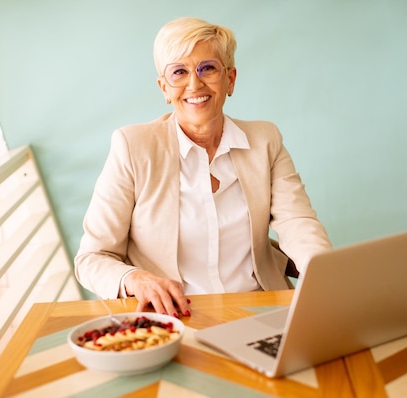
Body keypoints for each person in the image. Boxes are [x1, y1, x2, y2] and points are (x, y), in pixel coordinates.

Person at [74, 17, 331, 318]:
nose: (194, 84)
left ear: (230, 79)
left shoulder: (265, 139)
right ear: (164, 88)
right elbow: (92, 257)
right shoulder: (133, 147)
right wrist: (134, 279)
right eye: (179, 72)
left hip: (262, 309)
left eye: (207, 68)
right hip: (176, 318)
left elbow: (297, 222)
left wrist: (325, 277)